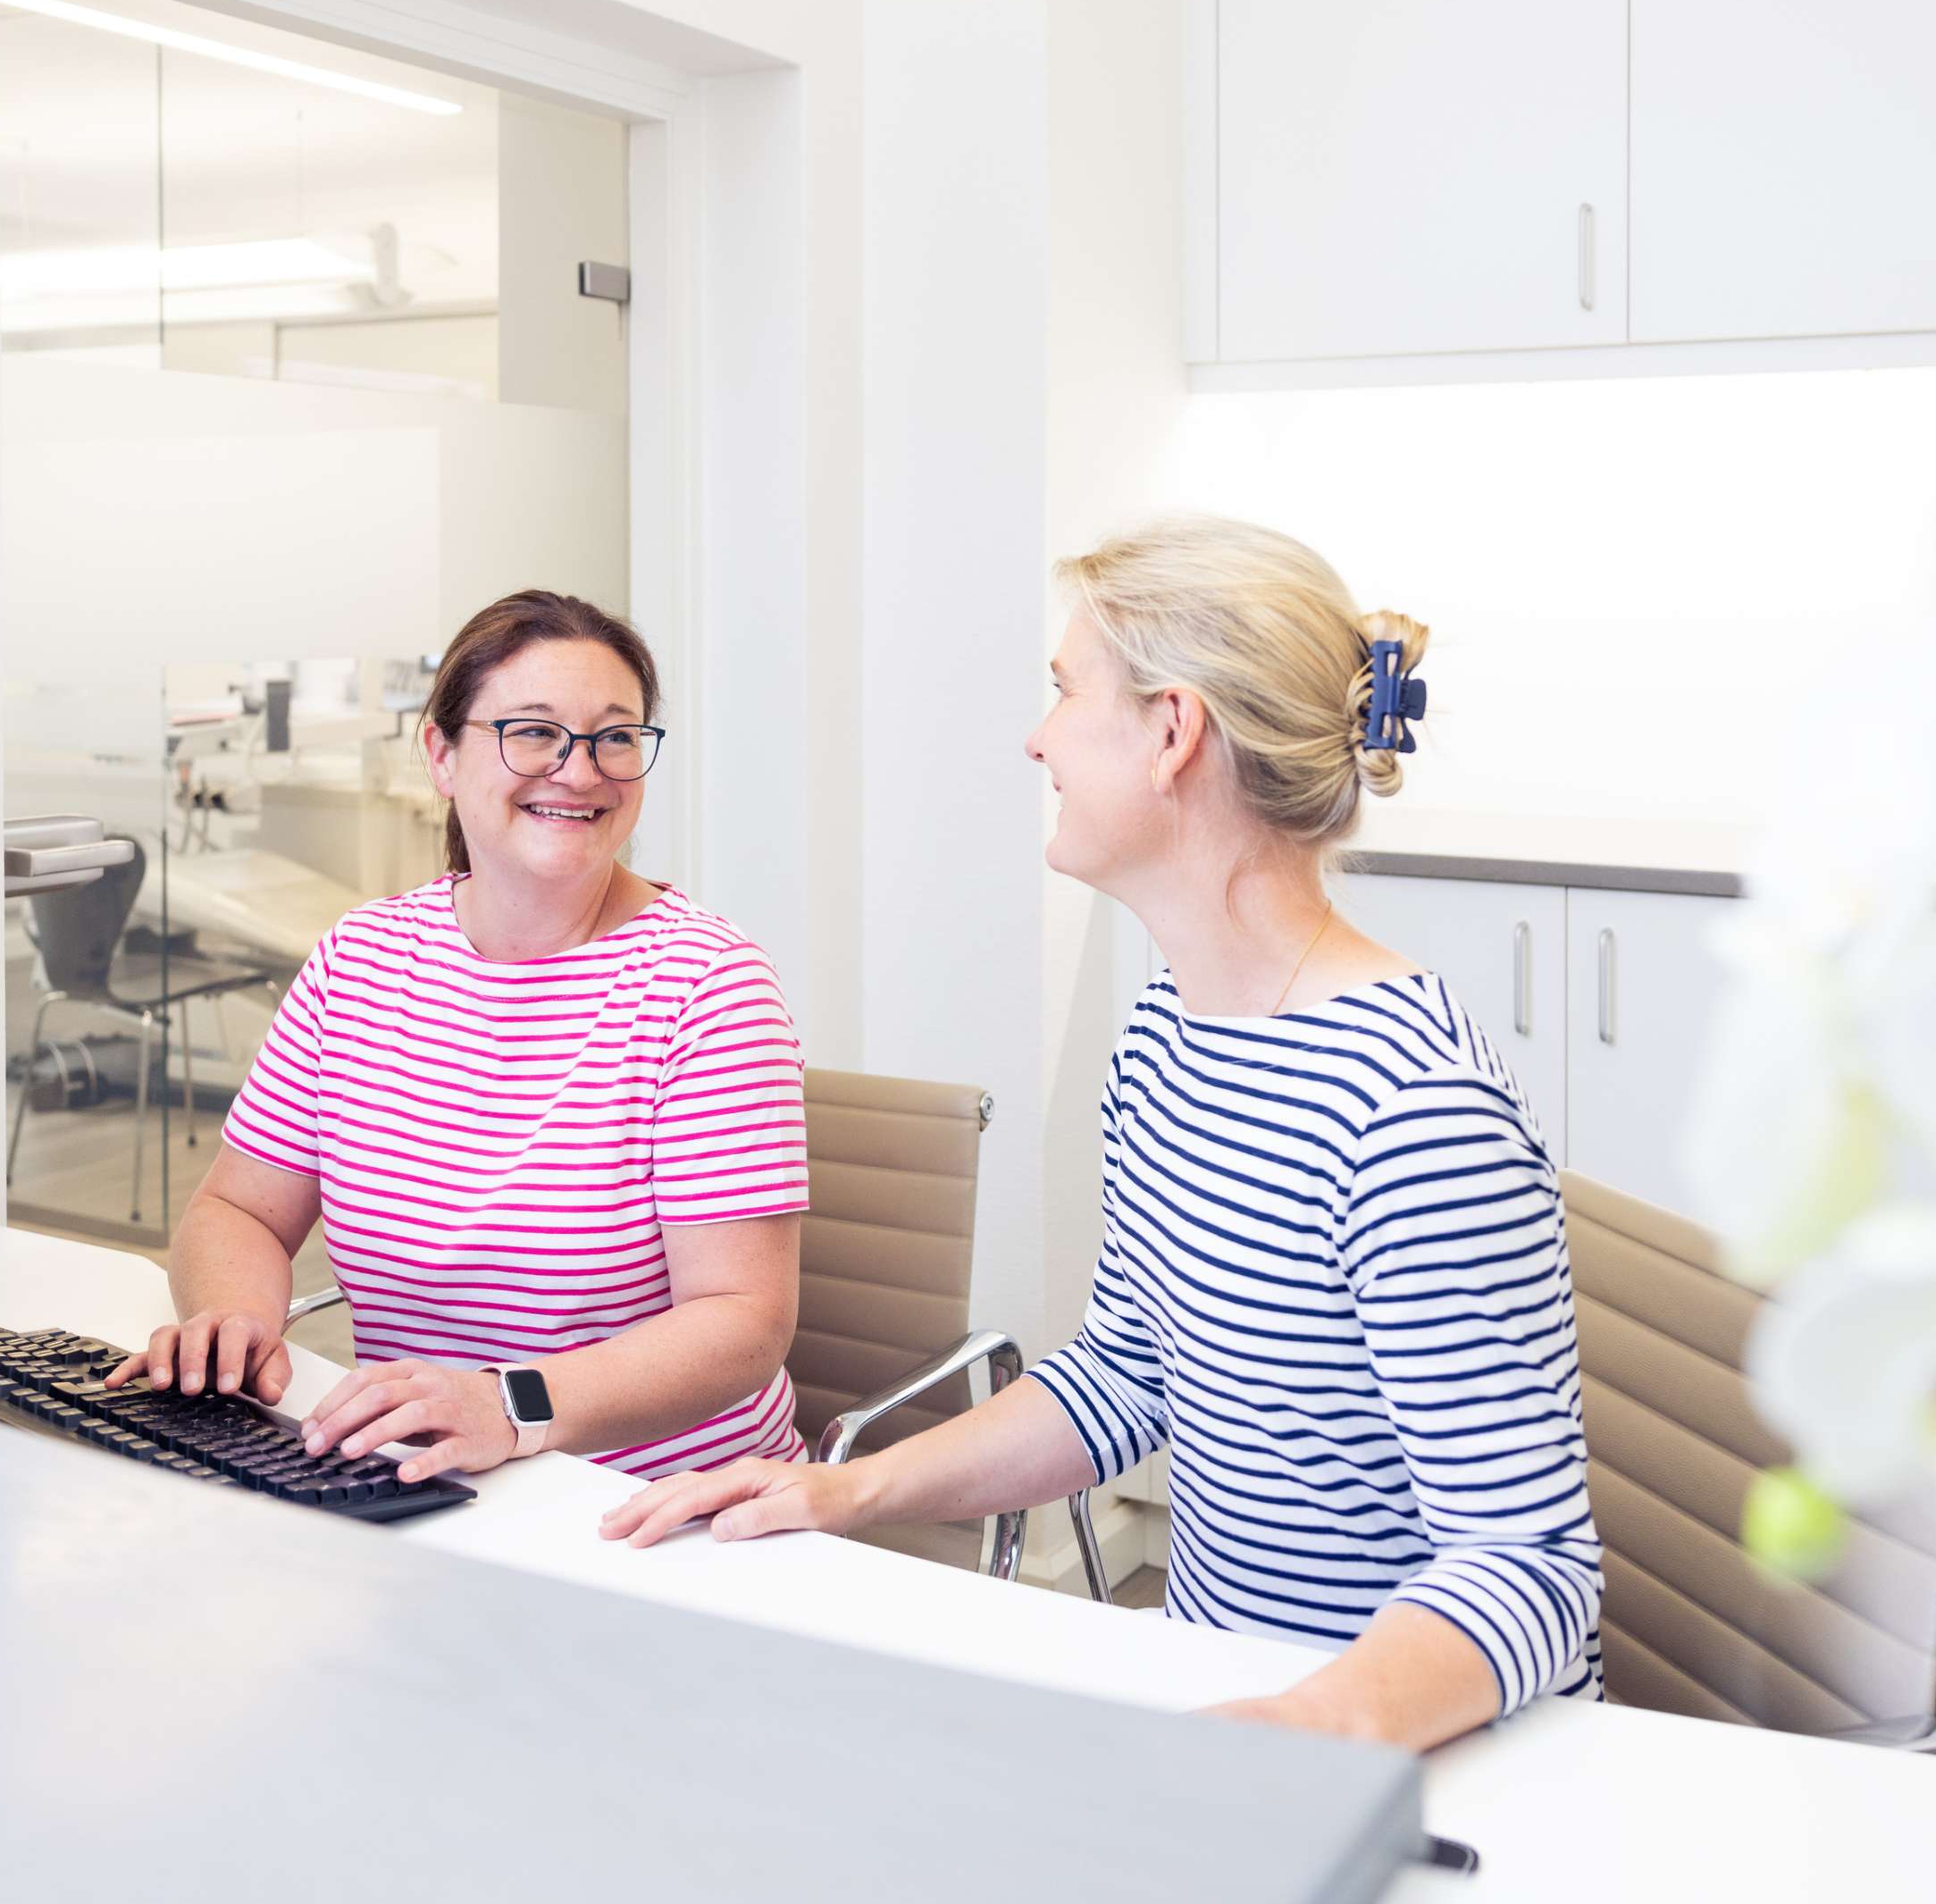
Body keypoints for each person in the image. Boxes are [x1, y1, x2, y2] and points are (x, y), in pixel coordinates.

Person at [602, 516, 1602, 1751]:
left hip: (1417, 1753)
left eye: (1066, 692)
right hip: (1228, 1698)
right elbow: (1129, 1370)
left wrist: (1307, 1729)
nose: (1037, 738)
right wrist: (844, 1488)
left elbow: (1533, 1567)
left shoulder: (1411, 1111)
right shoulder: (1169, 1035)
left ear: (1173, 732)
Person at [110, 590, 811, 1485]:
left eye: (615, 737)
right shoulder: (359, 958)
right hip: (414, 1479)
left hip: (655, 1507)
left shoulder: (708, 985)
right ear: (441, 754)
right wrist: (236, 1318)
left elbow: (743, 1321)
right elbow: (240, 1208)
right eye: (533, 732)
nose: (580, 769)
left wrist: (512, 1404)